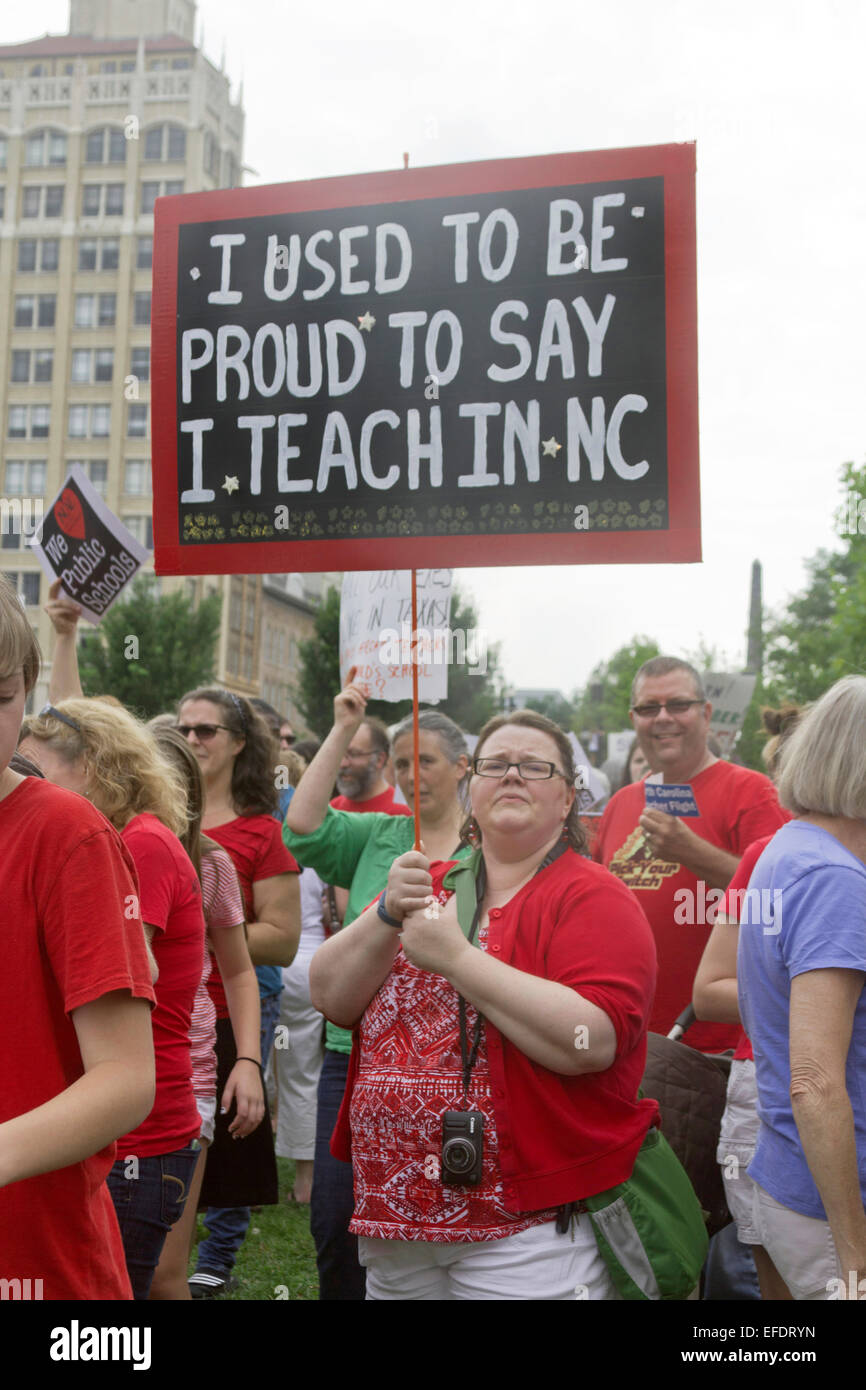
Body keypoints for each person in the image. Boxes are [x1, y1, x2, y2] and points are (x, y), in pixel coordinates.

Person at [309, 709, 659, 1299]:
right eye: (496, 765)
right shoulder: (429, 882)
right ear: (472, 792)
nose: (513, 776)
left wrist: (458, 958)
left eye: (535, 767)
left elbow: (591, 1041)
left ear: (568, 799)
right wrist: (389, 913)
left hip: (526, 1231)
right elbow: (330, 996)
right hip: (398, 1219)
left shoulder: (593, 895)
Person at [284, 675, 469, 1299]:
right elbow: (302, 827)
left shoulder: (489, 850)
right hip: (352, 1054)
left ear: (464, 767)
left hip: (450, 1066)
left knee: (437, 1226)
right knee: (337, 1222)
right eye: (402, 762)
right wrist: (342, 729)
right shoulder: (382, 835)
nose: (414, 775)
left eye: (429, 761)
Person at [0, 574, 155, 1300]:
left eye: (1, 701)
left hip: (44, 1263)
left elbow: (127, 1079)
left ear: (28, 692)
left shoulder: (67, 833)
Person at [19, 695, 204, 1300]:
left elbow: (136, 963)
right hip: (157, 1117)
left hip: (137, 1133)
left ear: (94, 768)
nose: (25, 786)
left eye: (37, 773)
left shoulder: (133, 843)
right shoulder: (141, 832)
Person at [737, 677, 866, 1301]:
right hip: (833, 1203)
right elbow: (815, 1080)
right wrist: (855, 1259)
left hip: (794, 1176)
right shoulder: (832, 877)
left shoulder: (791, 850)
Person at [593, 656, 788, 1051]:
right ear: (634, 718)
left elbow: (781, 903)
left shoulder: (752, 792)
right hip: (626, 1041)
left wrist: (691, 852)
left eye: (678, 705)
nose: (663, 717)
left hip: (720, 1049)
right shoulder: (621, 803)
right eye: (649, 708)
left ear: (706, 713)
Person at [177, 687, 300, 1298]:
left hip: (235, 1006)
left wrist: (192, 931)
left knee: (234, 1130)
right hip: (169, 1009)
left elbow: (281, 938)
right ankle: (168, 1242)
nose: (194, 739)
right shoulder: (161, 818)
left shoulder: (259, 832)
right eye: (186, 729)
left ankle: (217, 1252)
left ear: (239, 744)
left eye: (207, 730)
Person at [147, 726, 264, 1301]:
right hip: (95, 1074)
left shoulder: (209, 862)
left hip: (183, 1073)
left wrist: (246, 1061)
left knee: (164, 1272)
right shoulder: (94, 851)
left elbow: (239, 971)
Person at [693, 705, 801, 1300]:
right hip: (770, 1086)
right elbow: (709, 993)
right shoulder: (766, 858)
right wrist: (824, 1001)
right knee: (778, 1282)